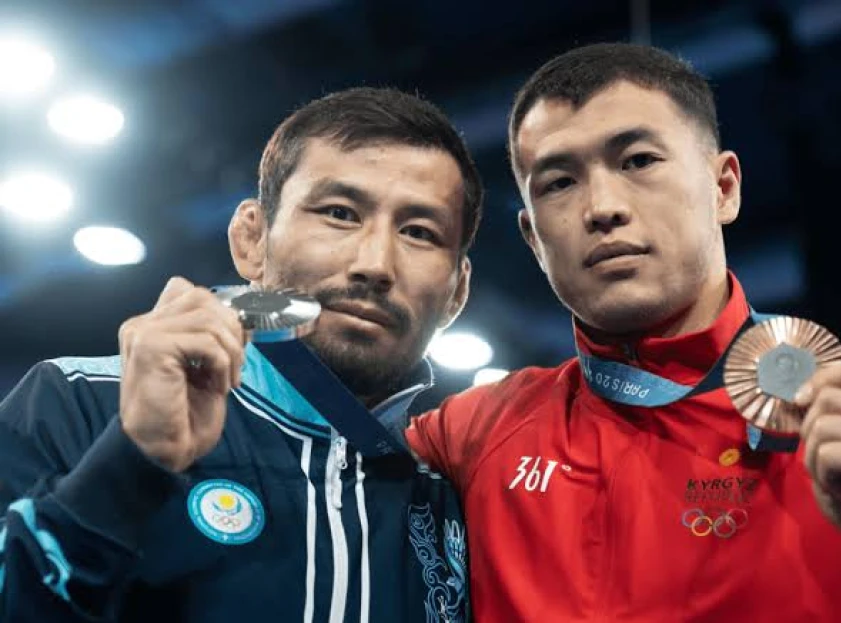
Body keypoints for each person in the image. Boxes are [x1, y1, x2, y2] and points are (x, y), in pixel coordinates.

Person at [407, 43, 841, 622]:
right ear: (534, 240)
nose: (602, 207)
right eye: (559, 182)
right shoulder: (472, 437)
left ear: (724, 188)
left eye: (638, 161)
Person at [0, 86, 481, 623]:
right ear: (252, 240)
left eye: (419, 232)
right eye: (340, 213)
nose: (375, 264)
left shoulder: (456, 492)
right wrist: (132, 461)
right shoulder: (77, 402)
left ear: (457, 292)